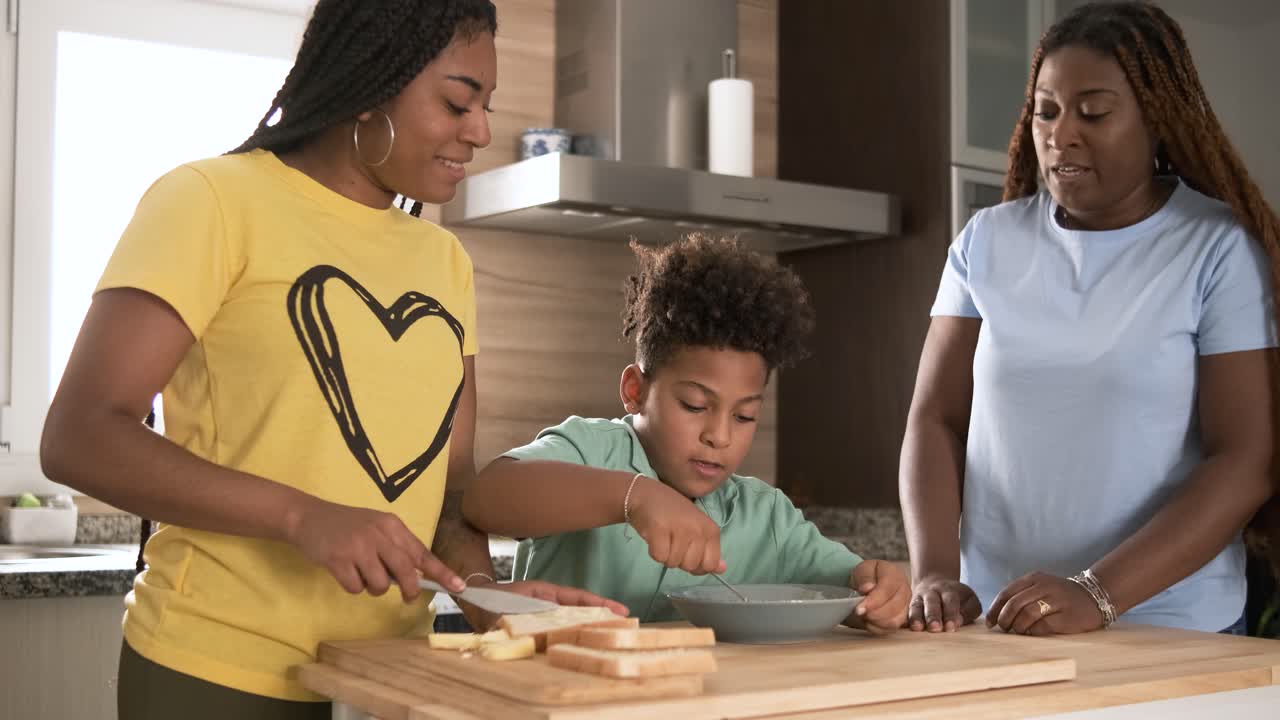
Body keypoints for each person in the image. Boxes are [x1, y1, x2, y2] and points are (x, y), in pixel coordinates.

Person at [39, 2, 622, 717]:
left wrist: (485, 601)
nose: (481, 132)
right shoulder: (211, 202)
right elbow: (79, 435)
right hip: (213, 672)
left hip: (382, 679)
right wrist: (301, 516)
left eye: (486, 107)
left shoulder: (445, 262)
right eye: (456, 102)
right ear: (371, 82)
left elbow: (448, 493)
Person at [901, 0, 1280, 638]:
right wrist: (937, 573)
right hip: (1002, 625)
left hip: (1172, 627)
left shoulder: (1216, 248)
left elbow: (1246, 458)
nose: (1060, 133)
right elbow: (935, 418)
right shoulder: (985, 241)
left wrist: (1098, 593)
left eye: (1094, 112)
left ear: (1157, 121)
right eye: (1046, 110)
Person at [462, 236, 911, 632]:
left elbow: (851, 590)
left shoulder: (766, 517)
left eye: (744, 417)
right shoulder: (589, 449)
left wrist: (877, 592)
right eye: (696, 406)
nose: (719, 436)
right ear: (635, 390)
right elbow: (486, 498)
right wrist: (635, 497)